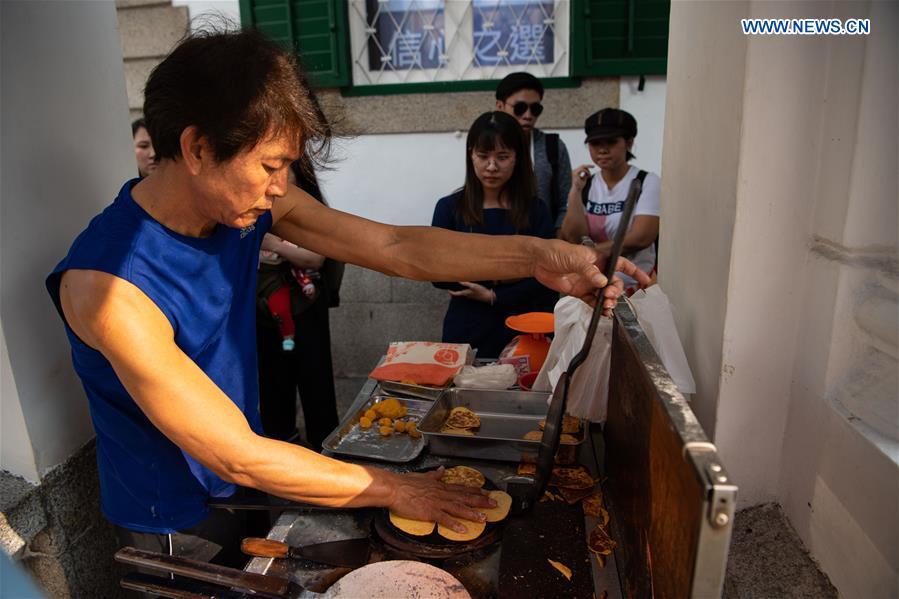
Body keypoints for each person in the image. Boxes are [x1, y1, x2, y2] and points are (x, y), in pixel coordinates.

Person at [46, 29, 647, 567]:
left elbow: (395, 246)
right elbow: (236, 454)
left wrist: (543, 256)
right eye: (270, 165)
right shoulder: (110, 287)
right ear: (199, 148)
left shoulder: (241, 205)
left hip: (243, 480)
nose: (282, 188)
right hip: (171, 522)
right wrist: (398, 489)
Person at [432, 111, 558, 358]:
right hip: (467, 326)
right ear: (471, 154)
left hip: (525, 328)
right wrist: (516, 271)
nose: (491, 166)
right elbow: (437, 273)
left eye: (502, 157)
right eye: (483, 156)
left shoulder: (536, 210)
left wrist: (493, 294)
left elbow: (545, 276)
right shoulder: (449, 208)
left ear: (517, 158)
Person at [256, 155, 340, 450]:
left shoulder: (313, 213)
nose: (275, 181)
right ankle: (282, 444)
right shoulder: (254, 210)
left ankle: (325, 445)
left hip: (306, 308)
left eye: (283, 172)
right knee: (273, 382)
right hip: (265, 310)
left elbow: (315, 257)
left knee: (315, 378)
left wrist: (272, 243)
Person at [561, 108, 660, 293]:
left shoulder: (646, 181)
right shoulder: (587, 184)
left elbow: (641, 237)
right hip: (594, 285)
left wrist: (590, 253)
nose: (602, 150)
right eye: (595, 143)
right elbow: (573, 236)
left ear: (629, 143)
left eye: (611, 142)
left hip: (635, 287)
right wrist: (575, 191)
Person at [495, 72, 572, 232]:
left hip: (543, 241)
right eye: (520, 108)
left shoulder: (553, 146)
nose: (528, 116)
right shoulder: (488, 145)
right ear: (500, 106)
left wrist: (555, 240)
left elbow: (566, 202)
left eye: (535, 109)